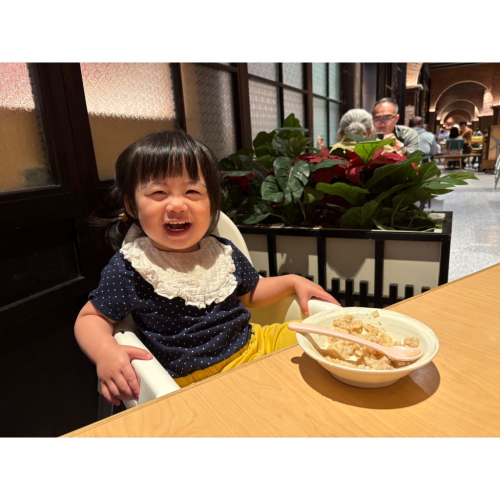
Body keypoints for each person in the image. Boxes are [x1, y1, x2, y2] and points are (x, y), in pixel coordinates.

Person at [74, 130, 339, 406]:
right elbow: (90, 318)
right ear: (132, 205)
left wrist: (292, 281)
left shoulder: (222, 251)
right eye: (158, 192)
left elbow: (253, 292)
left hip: (256, 346)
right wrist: (105, 352)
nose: (177, 205)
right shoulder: (132, 266)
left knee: (325, 337)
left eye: (192, 191)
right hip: (190, 382)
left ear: (211, 203)